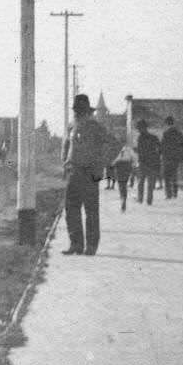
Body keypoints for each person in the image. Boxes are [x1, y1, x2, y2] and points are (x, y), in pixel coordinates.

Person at [62, 93, 109, 256]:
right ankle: (76, 244)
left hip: (90, 173)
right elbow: (67, 146)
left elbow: (108, 148)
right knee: (71, 209)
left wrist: (99, 168)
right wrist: (65, 164)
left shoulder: (96, 126)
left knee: (91, 211)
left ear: (87, 110)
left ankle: (91, 246)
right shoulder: (72, 125)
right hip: (73, 172)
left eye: (80, 109)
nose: (78, 112)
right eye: (77, 109)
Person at [135, 119, 161, 206]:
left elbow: (139, 151)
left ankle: (140, 199)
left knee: (141, 182)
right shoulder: (154, 137)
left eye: (139, 128)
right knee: (150, 183)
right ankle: (149, 200)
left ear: (142, 128)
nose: (138, 130)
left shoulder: (140, 138)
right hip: (153, 163)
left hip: (143, 163)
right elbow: (160, 149)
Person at [160, 116, 183, 199]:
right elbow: (182, 146)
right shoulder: (179, 133)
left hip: (167, 157)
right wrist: (182, 158)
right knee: (174, 175)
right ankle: (175, 193)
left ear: (167, 123)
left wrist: (160, 154)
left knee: (167, 176)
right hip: (176, 158)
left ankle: (168, 194)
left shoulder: (166, 133)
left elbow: (163, 146)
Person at [111, 140, 137, 212]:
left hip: (121, 166)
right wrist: (133, 165)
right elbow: (134, 157)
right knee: (122, 182)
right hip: (125, 166)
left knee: (121, 182)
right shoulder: (126, 149)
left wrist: (113, 163)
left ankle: (123, 196)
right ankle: (123, 196)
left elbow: (115, 159)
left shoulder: (125, 149)